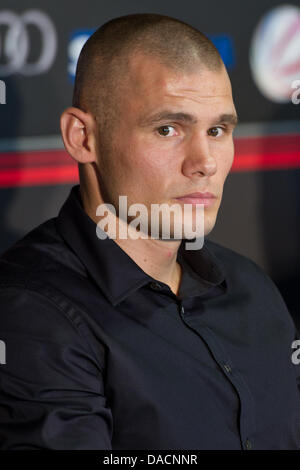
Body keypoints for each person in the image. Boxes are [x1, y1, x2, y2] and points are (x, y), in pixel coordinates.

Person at [0, 13, 299, 450]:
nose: (205, 161)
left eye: (217, 130)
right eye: (167, 129)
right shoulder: (29, 315)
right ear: (82, 137)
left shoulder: (252, 290)